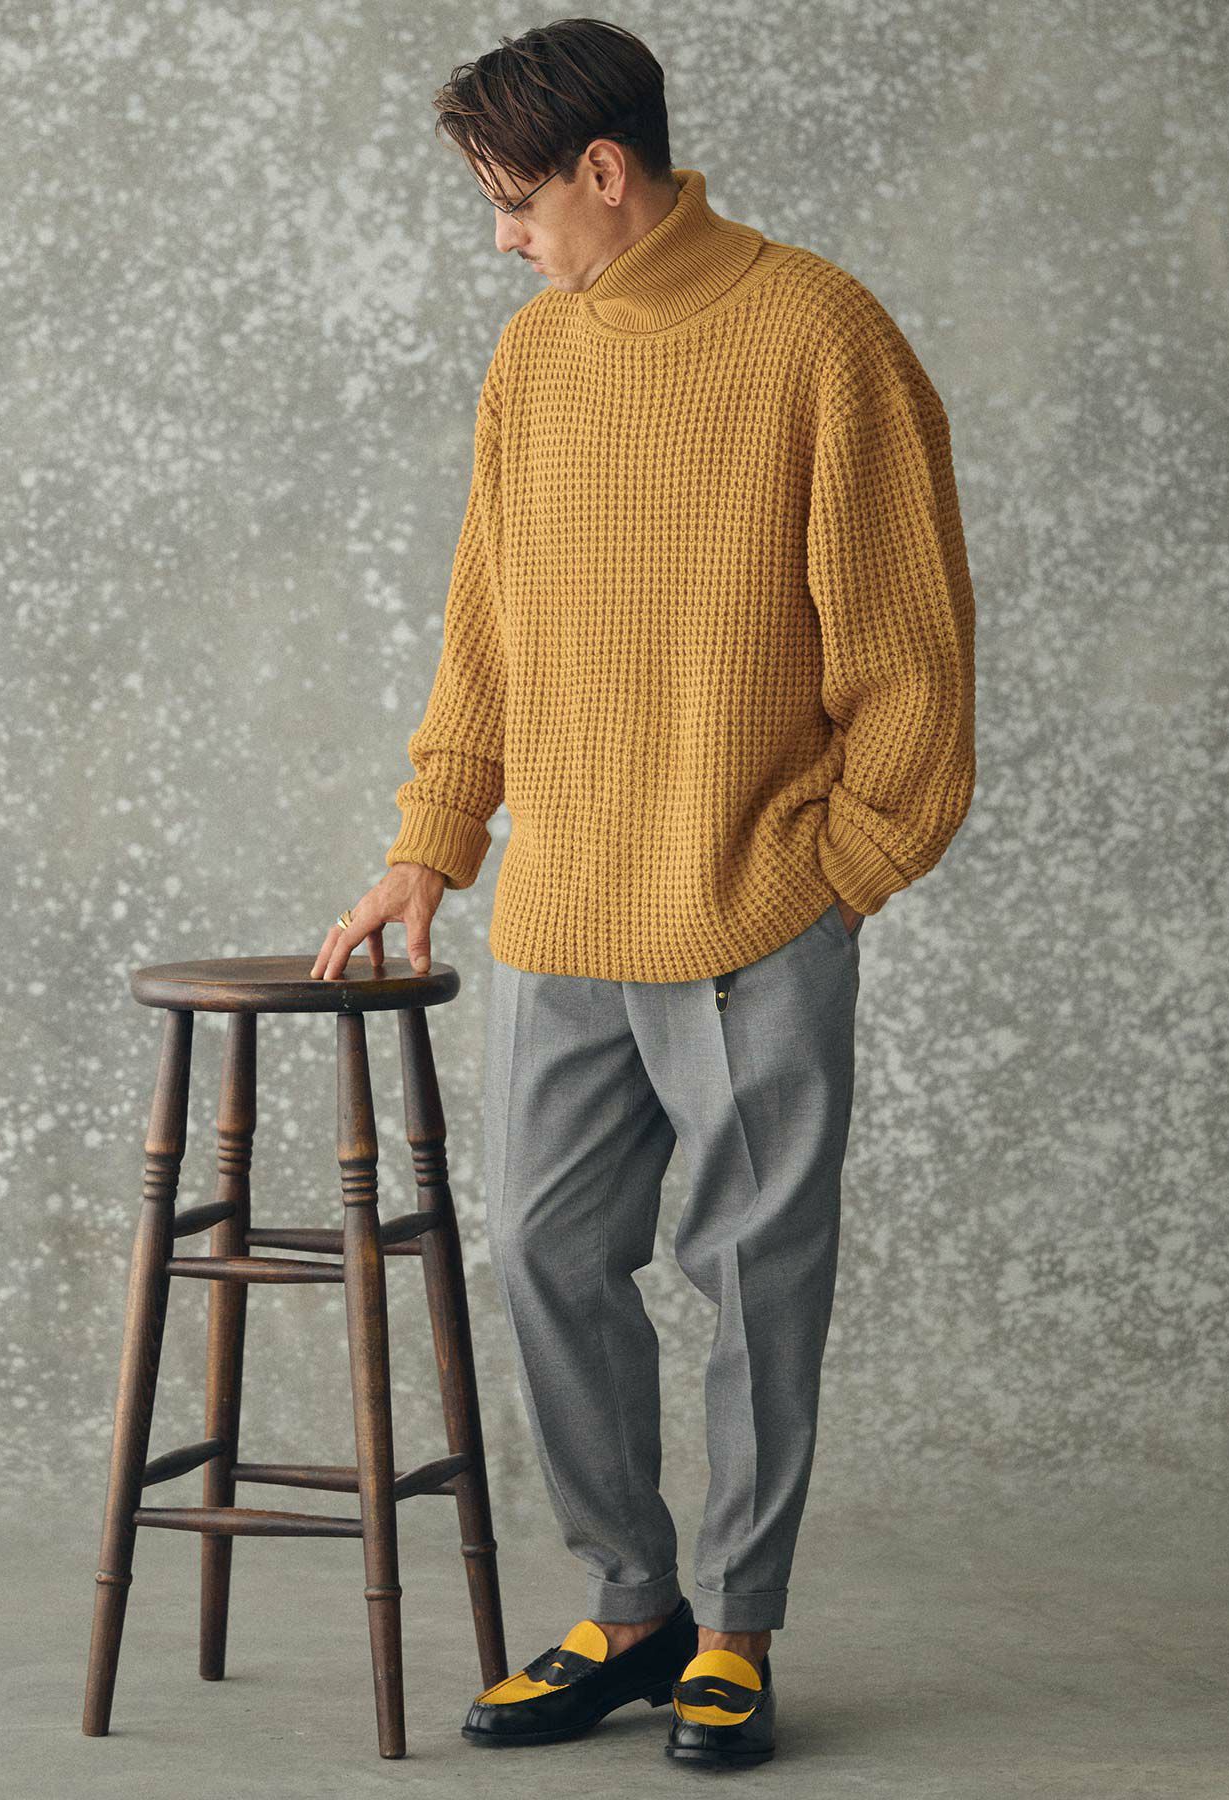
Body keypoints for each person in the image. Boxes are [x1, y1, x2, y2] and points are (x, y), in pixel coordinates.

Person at [310, 17, 976, 1770]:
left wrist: (833, 880)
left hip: (756, 909)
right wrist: (430, 842)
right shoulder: (536, 359)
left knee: (755, 1279)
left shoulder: (820, 335)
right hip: (563, 912)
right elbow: (486, 630)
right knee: (546, 1251)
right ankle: (633, 1604)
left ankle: (736, 1631)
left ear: (605, 171)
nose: (502, 239)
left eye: (516, 202)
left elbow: (912, 662)